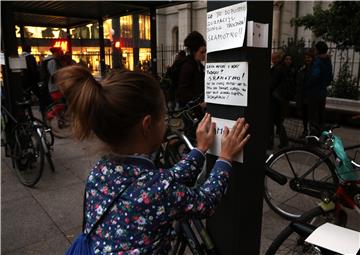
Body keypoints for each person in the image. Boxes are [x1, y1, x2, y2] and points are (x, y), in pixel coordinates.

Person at [56, 66, 250, 254]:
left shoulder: (101, 170)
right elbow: (206, 202)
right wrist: (225, 157)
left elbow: (168, 179)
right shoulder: (157, 189)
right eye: (163, 117)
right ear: (147, 125)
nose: (165, 123)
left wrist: (200, 150)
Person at [303, 41, 332, 136]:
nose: (314, 51)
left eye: (315, 49)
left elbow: (315, 75)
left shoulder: (318, 61)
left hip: (314, 92)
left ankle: (313, 139)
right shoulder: (328, 61)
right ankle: (320, 136)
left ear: (318, 50)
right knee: (320, 116)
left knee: (313, 117)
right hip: (322, 92)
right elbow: (329, 77)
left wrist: (307, 85)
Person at [176, 31, 206, 107]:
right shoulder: (187, 67)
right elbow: (183, 91)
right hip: (190, 110)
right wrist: (198, 103)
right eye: (202, 52)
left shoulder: (199, 66)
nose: (204, 55)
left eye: (205, 52)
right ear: (194, 52)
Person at [295, 49, 315, 137]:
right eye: (306, 58)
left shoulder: (314, 69)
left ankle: (312, 133)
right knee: (304, 116)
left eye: (309, 58)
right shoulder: (302, 69)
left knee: (311, 116)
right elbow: (298, 81)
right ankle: (305, 131)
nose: (307, 59)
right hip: (303, 96)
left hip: (310, 96)